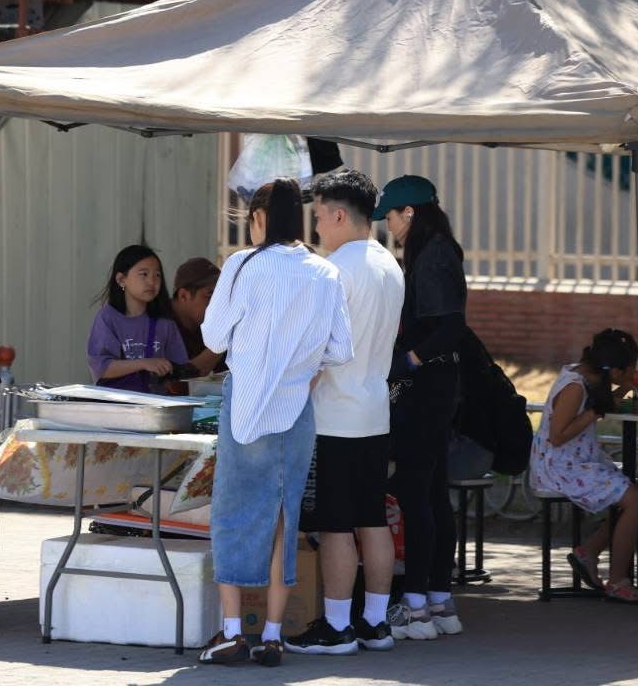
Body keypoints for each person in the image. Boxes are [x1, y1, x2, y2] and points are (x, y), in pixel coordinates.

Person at [196, 178, 354, 668]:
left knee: (233, 512)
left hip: (246, 404)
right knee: (284, 516)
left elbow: (214, 338)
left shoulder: (243, 264)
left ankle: (230, 631)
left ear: (260, 218)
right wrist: (304, 370)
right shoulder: (325, 272)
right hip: (296, 407)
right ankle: (272, 635)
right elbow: (341, 349)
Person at [285, 169, 406, 656]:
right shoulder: (389, 263)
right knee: (372, 518)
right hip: (375, 410)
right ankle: (375, 622)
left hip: (335, 416)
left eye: (318, 216)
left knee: (336, 524)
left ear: (338, 215)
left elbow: (318, 351)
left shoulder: (334, 270)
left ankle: (337, 627)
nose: (315, 227)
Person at [375, 174, 467, 640]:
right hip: (441, 386)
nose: (388, 226)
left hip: (427, 387)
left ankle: (415, 605)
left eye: (391, 216)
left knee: (416, 492)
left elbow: (450, 328)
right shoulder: (441, 250)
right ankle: (438, 600)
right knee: (431, 493)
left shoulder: (431, 256)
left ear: (409, 213)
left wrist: (408, 360)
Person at [530, 329, 638, 603]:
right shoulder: (575, 388)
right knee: (636, 500)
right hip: (559, 467)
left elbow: (600, 404)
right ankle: (618, 581)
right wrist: (594, 412)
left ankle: (589, 552)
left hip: (575, 460)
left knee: (636, 494)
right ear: (615, 370)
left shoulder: (589, 376)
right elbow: (557, 435)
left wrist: (624, 389)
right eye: (629, 370)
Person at [86, 245, 191, 393]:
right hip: (116, 404)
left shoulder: (165, 322)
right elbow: (101, 368)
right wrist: (144, 363)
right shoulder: (108, 317)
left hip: (156, 403)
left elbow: (180, 367)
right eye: (144, 274)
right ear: (121, 280)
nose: (152, 281)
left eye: (157, 275)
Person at [170, 257, 224, 379]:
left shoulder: (206, 324)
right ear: (184, 296)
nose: (218, 304)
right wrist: (222, 341)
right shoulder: (159, 325)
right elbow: (179, 377)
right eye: (210, 295)